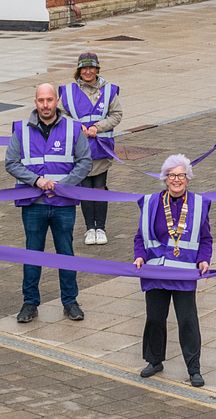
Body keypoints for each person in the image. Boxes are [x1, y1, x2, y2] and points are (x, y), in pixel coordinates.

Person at [5, 83, 92, 323]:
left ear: (56, 102)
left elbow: (85, 162)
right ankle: (30, 303)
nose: (45, 105)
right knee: (33, 253)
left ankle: (70, 301)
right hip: (33, 204)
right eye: (41, 100)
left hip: (63, 203)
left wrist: (63, 184)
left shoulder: (73, 129)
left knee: (66, 253)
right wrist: (36, 181)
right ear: (35, 102)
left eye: (50, 100)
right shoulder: (21, 130)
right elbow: (11, 163)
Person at [133, 154, 212, 387]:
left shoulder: (198, 204)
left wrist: (204, 260)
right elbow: (140, 237)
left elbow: (205, 238)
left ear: (187, 179)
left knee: (187, 320)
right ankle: (154, 360)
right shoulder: (151, 203)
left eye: (181, 175)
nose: (176, 179)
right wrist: (139, 256)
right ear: (165, 179)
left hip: (184, 273)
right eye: (172, 175)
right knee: (155, 318)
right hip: (156, 271)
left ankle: (194, 368)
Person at [58, 52, 123, 245]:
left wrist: (97, 127)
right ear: (78, 70)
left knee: (100, 188)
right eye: (84, 68)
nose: (88, 71)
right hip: (79, 150)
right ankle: (90, 229)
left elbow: (116, 115)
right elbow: (61, 115)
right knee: (85, 188)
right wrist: (78, 127)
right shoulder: (68, 91)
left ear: (97, 69)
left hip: (102, 149)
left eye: (91, 68)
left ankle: (100, 227)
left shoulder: (109, 90)